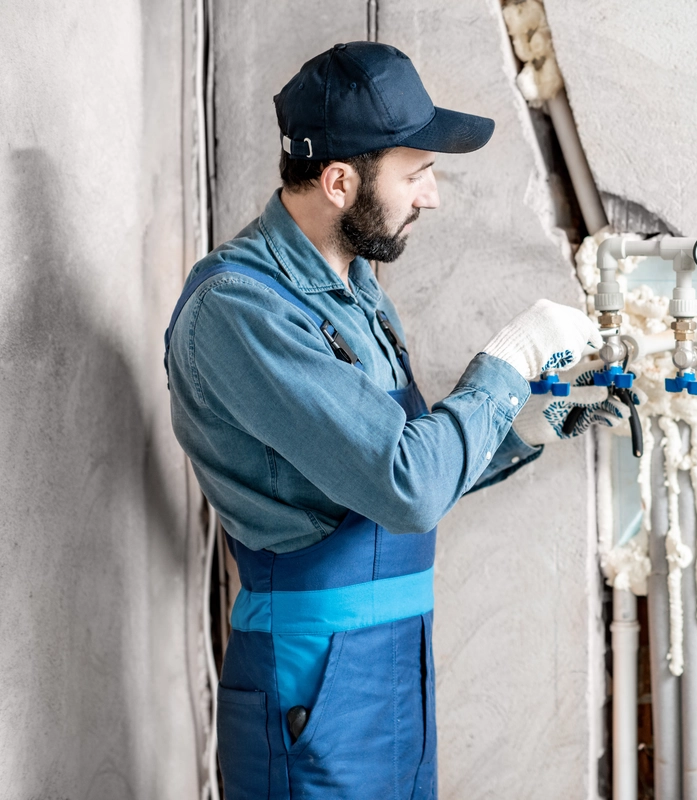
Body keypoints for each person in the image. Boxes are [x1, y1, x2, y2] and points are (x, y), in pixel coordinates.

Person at [164, 41, 625, 799]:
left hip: (393, 663)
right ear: (340, 181)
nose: (431, 196)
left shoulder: (352, 291)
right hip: (313, 674)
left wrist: (523, 430)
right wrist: (511, 359)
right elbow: (406, 489)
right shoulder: (240, 308)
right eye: (416, 173)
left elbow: (392, 473)